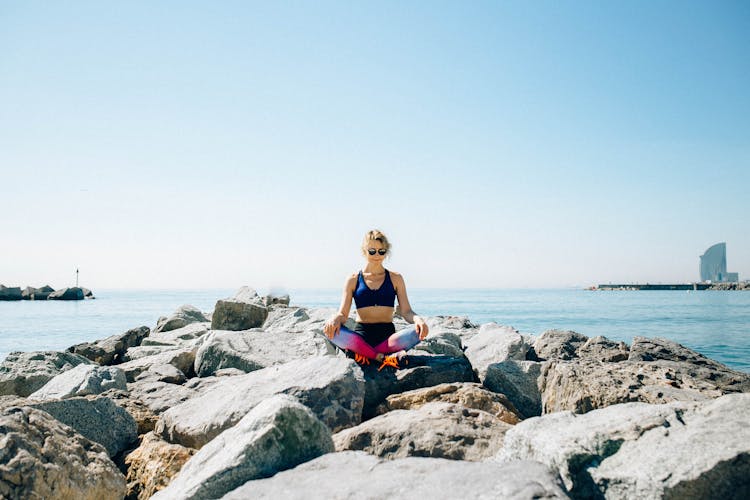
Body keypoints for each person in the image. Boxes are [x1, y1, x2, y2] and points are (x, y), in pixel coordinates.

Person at [323, 229, 429, 370]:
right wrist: (334, 319)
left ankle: (364, 355)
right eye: (372, 251)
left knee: (417, 332)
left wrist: (418, 320)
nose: (377, 255)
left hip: (388, 338)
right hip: (362, 335)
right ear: (364, 251)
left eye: (381, 251)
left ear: (386, 252)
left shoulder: (396, 278)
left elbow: (406, 311)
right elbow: (343, 314)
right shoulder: (353, 279)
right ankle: (382, 357)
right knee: (330, 331)